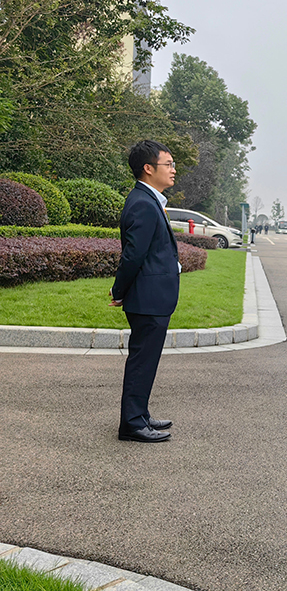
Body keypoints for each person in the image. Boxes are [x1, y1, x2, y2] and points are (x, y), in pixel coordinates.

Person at [110, 140, 181, 443]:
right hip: (148, 298)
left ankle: (139, 414)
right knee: (142, 360)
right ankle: (132, 424)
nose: (174, 170)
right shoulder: (142, 202)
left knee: (146, 360)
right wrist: (118, 289)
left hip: (153, 297)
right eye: (169, 164)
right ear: (148, 169)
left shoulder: (149, 200)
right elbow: (133, 255)